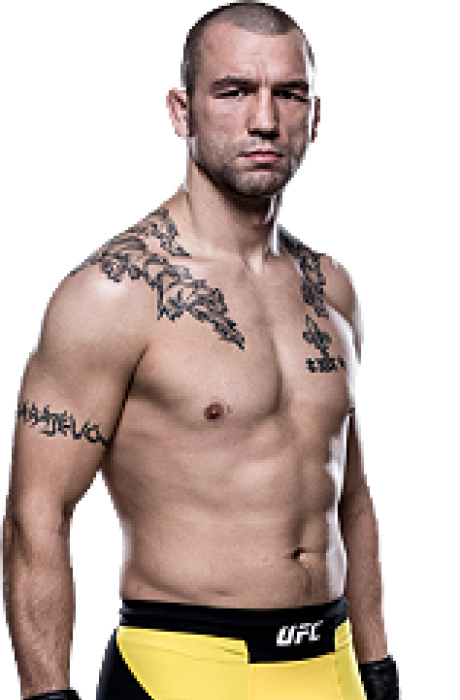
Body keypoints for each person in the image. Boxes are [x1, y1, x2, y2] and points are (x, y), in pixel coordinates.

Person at [3, 2, 400, 699]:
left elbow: (350, 497)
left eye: (289, 93)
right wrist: (49, 698)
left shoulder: (331, 289)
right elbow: (37, 514)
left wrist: (377, 668)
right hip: (184, 668)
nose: (264, 120)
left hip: (331, 664)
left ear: (316, 116)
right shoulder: (115, 292)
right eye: (234, 91)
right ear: (180, 112)